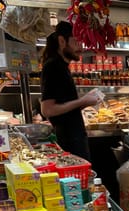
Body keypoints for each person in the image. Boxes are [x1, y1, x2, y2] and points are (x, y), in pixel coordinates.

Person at [40, 21, 99, 161]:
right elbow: (47, 110)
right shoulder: (53, 67)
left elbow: (65, 105)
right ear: (62, 41)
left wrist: (85, 101)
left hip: (74, 139)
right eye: (76, 41)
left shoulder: (62, 66)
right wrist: (82, 101)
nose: (81, 47)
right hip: (68, 142)